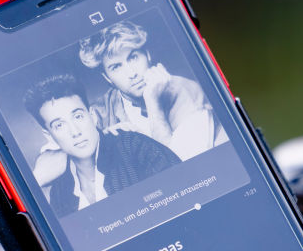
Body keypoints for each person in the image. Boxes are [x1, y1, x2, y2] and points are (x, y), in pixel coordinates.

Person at [23, 73, 180, 218]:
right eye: (59, 125)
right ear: (49, 135)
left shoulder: (135, 147)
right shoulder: (60, 191)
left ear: (92, 116)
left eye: (78, 116)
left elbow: (185, 192)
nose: (75, 131)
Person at [78, 21, 227, 160]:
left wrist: (152, 102)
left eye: (133, 58)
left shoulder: (186, 91)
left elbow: (182, 168)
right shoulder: (100, 112)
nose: (131, 73)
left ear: (148, 55)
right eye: (116, 67)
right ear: (107, 77)